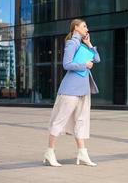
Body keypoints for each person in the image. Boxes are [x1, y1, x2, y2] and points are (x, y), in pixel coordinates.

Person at [43, 19, 100, 167]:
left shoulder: (82, 45)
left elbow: (97, 59)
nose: (87, 28)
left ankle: (82, 153)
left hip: (84, 90)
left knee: (81, 122)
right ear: (76, 28)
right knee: (59, 121)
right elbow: (66, 64)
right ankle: (49, 152)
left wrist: (89, 44)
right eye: (84, 26)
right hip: (70, 90)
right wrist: (84, 65)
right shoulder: (72, 43)